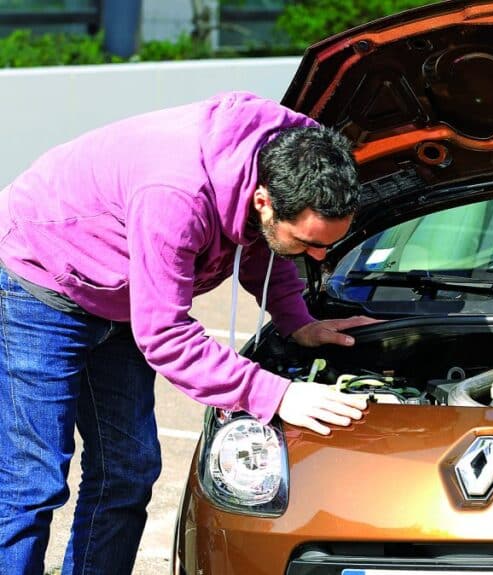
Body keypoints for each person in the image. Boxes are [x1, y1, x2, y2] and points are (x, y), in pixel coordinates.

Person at [0, 91, 375, 574]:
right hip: (44, 277)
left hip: (127, 291)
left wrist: (297, 320)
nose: (318, 258)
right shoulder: (177, 195)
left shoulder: (296, 156)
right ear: (263, 200)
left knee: (127, 471)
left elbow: (262, 241)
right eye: (309, 243)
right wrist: (276, 395)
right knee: (34, 478)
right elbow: (166, 336)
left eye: (328, 244)